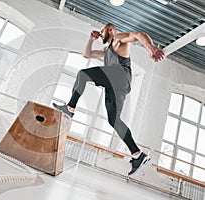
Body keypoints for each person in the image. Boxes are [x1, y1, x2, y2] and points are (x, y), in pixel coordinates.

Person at [53, 23, 165, 176]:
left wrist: (150, 48)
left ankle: (70, 108)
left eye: (102, 31)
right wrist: (91, 39)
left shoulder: (118, 39)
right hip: (116, 86)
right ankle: (137, 154)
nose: (100, 33)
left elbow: (139, 35)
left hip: (119, 77)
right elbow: (87, 54)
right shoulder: (107, 50)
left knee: (83, 74)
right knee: (114, 120)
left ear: (110, 30)